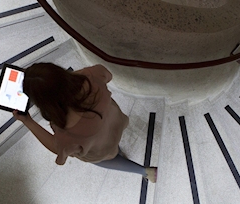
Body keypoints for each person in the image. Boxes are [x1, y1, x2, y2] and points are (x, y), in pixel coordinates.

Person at [12, 63, 157, 183]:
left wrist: (27, 121)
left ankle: (146, 172)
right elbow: (107, 74)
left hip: (100, 147)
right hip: (114, 121)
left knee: (107, 157)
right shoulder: (90, 77)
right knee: (112, 139)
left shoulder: (66, 132)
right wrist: (66, 78)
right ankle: (127, 157)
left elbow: (57, 148)